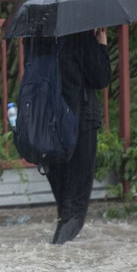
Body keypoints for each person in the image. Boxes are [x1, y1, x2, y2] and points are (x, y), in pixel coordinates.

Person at [46, 28, 111, 244]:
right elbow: (100, 78)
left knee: (65, 204)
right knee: (75, 208)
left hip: (48, 125)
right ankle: (57, 256)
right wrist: (101, 42)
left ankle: (60, 254)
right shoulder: (80, 32)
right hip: (80, 122)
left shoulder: (38, 36)